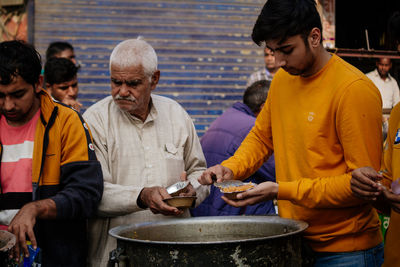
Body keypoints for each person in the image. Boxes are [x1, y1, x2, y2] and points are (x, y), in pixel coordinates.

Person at [198, 0, 384, 266]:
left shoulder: (353, 90)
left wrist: (280, 190)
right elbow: (263, 137)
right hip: (295, 238)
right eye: (273, 51)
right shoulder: (284, 80)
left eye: (287, 50)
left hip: (346, 250)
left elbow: (361, 188)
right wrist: (231, 168)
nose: (279, 61)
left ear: (315, 37)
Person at [83, 38, 209, 266]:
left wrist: (193, 191)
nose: (122, 91)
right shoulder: (94, 121)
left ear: (155, 79)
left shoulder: (176, 115)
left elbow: (199, 171)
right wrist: (142, 196)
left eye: (133, 83)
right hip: (118, 254)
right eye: (115, 82)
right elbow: (92, 193)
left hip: (175, 250)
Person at [0, 40, 103, 266]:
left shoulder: (67, 123)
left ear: (38, 83)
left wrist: (35, 208)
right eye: (1, 96)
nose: (8, 105)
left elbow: (86, 194)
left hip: (55, 258)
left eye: (17, 95)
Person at [191, 80, 276, 217]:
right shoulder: (252, 127)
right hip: (232, 209)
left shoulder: (226, 117)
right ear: (264, 107)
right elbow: (276, 173)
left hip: (207, 207)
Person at [366, 57, 400, 139]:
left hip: (388, 123)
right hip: (371, 121)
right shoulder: (368, 78)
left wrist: (389, 120)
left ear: (390, 65)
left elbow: (397, 104)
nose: (383, 67)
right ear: (377, 64)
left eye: (386, 65)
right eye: (381, 64)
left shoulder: (393, 82)